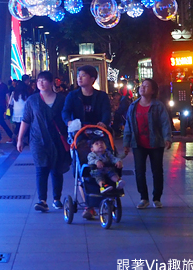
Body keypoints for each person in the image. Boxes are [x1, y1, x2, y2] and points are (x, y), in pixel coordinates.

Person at [17, 70, 71, 212]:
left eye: (44, 80)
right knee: (41, 169)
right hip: (38, 140)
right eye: (39, 80)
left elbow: (67, 119)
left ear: (52, 82)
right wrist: (20, 139)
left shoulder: (61, 100)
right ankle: (42, 200)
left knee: (56, 170)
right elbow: (26, 120)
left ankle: (57, 198)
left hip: (58, 140)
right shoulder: (32, 100)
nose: (41, 83)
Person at [62, 65, 112, 219]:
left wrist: (103, 123)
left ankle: (107, 194)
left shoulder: (101, 96)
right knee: (82, 168)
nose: (79, 78)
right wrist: (69, 122)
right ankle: (89, 205)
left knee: (106, 162)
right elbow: (65, 111)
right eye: (78, 75)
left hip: (98, 135)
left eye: (83, 75)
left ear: (92, 79)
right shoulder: (72, 95)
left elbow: (106, 112)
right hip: (80, 136)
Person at [123, 78, 173, 209]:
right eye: (142, 85)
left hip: (156, 143)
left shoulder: (158, 106)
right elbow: (128, 125)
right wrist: (126, 143)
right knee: (139, 171)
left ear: (153, 91)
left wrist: (167, 138)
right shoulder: (133, 106)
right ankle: (143, 198)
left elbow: (165, 123)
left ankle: (157, 198)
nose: (142, 88)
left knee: (157, 171)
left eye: (146, 86)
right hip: (138, 144)